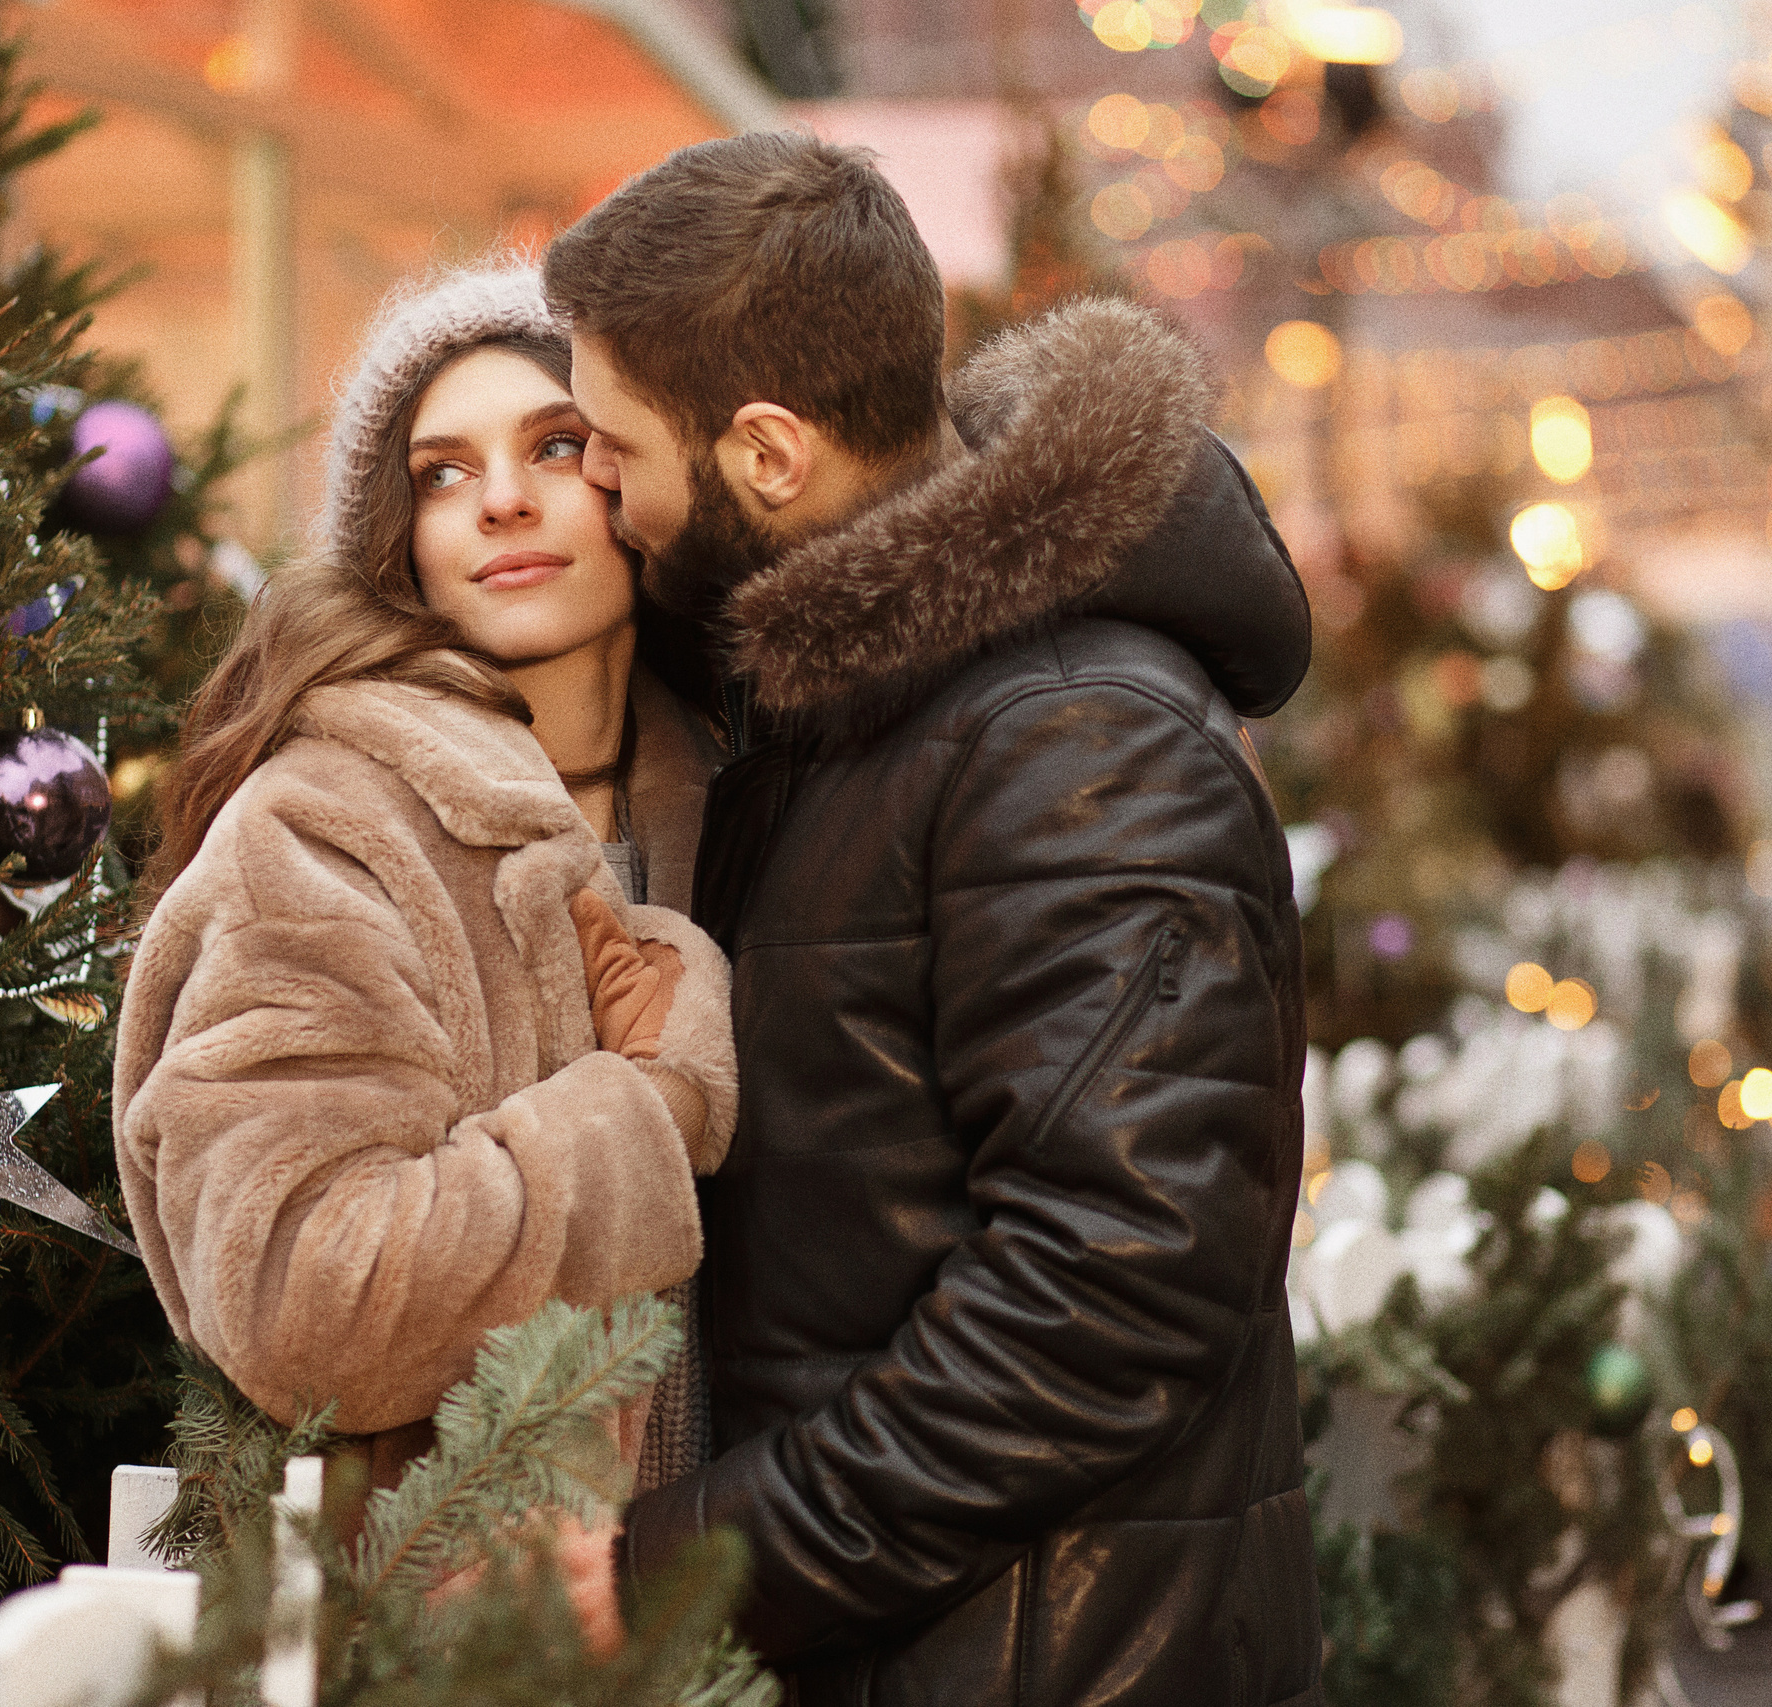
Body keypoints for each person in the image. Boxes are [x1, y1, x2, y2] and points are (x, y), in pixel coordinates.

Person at [543, 134, 1324, 1703]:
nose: (593, 488)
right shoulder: (844, 691)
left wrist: (693, 1569)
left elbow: (1109, 1288)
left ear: (768, 456)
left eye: (609, 443)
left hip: (1052, 1655)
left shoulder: (1077, 742)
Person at [113, 264, 733, 1500]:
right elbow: (302, 1297)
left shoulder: (756, 799)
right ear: (402, 545)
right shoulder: (327, 825)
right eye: (441, 473)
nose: (500, 500)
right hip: (463, 1637)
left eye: (556, 446)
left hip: (761, 1614)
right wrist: (649, 1111)